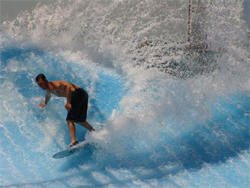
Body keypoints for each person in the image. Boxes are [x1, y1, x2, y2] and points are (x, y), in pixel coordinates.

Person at [35, 73, 95, 147]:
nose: (40, 86)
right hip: (82, 94)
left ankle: (74, 142)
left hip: (78, 94)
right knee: (79, 120)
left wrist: (68, 102)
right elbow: (48, 95)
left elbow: (68, 86)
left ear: (46, 80)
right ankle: (94, 132)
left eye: (41, 84)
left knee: (70, 120)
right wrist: (45, 103)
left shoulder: (55, 84)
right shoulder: (49, 89)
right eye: (39, 85)